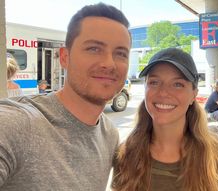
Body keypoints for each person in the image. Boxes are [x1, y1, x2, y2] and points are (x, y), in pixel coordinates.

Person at [0, 3, 131, 190]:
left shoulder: (109, 134)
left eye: (121, 53)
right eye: (94, 48)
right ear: (64, 57)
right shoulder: (17, 124)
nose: (109, 63)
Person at [112, 48, 218, 191]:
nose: (164, 92)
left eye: (178, 84)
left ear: (193, 94)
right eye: (154, 82)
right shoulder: (126, 153)